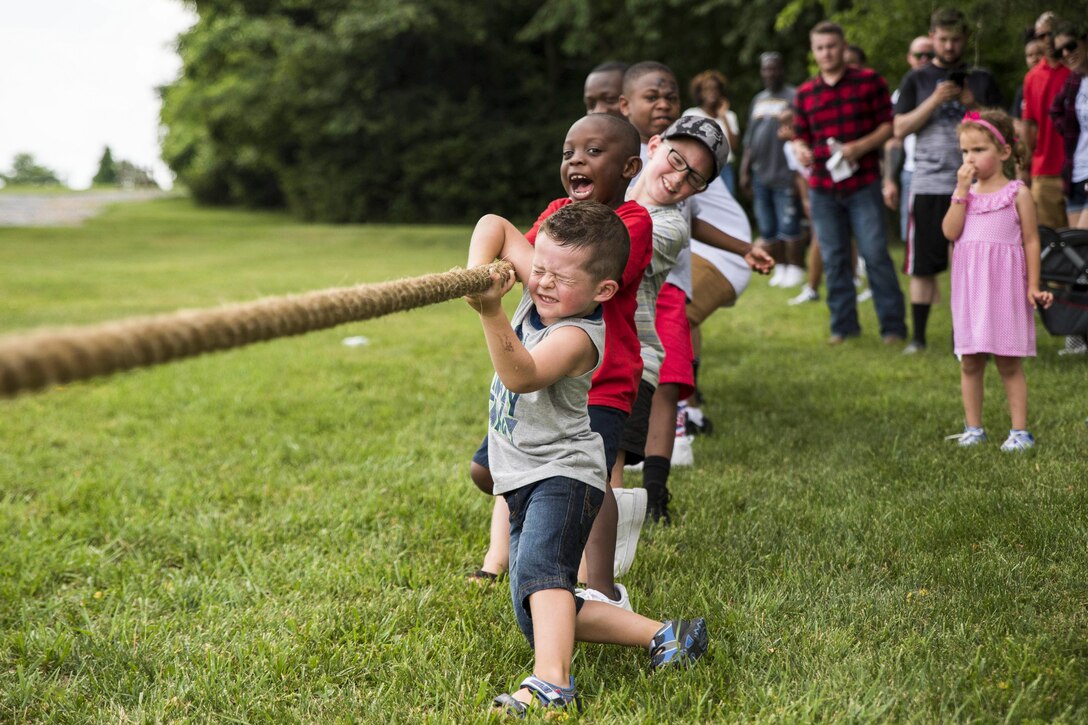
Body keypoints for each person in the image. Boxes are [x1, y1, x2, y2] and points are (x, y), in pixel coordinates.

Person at [464, 201, 708, 717]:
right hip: (524, 477)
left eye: (559, 277)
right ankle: (666, 634)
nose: (542, 283)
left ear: (602, 291)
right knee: (535, 606)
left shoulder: (578, 334)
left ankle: (553, 681)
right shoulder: (552, 280)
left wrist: (489, 310)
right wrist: (477, 270)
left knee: (542, 575)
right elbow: (494, 225)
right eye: (540, 269)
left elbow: (523, 375)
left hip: (564, 475)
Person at [469, 112, 653, 615]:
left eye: (594, 153)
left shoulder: (631, 221)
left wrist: (505, 296)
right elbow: (505, 236)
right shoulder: (559, 218)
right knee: (491, 471)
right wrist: (477, 275)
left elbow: (549, 268)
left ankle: (604, 590)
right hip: (545, 380)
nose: (576, 160)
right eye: (569, 152)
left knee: (591, 482)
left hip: (600, 375)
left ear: (629, 167)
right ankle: (502, 558)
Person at [619, 61, 772, 524]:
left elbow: (692, 220)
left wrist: (743, 247)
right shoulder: (623, 159)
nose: (663, 104)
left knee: (666, 384)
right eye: (652, 97)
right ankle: (612, 493)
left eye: (669, 96)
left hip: (669, 287)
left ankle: (656, 494)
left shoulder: (681, 171)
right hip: (625, 289)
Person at [615, 114, 728, 518]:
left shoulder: (670, 223)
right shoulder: (615, 179)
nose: (681, 178)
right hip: (603, 316)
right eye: (677, 160)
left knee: (664, 383)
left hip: (663, 296)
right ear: (655, 145)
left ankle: (654, 494)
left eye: (695, 178)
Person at [941, 110, 1052, 450]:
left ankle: (1019, 431)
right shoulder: (966, 194)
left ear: (1003, 152)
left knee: (1008, 359)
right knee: (971, 359)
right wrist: (960, 190)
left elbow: (1032, 240)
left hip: (1005, 288)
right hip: (971, 289)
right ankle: (973, 427)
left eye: (978, 150)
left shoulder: (1017, 193)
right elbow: (950, 231)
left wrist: (1033, 285)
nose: (970, 158)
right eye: (965, 151)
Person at [894, 7, 1002, 354]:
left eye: (956, 39)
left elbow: (1002, 132)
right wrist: (934, 100)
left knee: (969, 265)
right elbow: (899, 129)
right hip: (927, 184)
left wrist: (972, 104)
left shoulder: (982, 79)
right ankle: (919, 338)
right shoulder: (917, 79)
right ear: (933, 36)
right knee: (923, 266)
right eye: (943, 39)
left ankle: (966, 337)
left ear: (966, 38)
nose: (950, 45)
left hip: (977, 186)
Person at [792, 21, 907, 346]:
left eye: (832, 46)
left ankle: (893, 328)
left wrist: (859, 147)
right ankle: (843, 327)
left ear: (843, 48)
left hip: (863, 182)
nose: (827, 53)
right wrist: (800, 149)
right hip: (822, 187)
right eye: (820, 48)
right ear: (814, 52)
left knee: (875, 254)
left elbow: (888, 126)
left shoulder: (870, 82)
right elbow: (801, 136)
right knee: (834, 257)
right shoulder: (805, 93)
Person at [740, 52, 804, 289]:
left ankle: (796, 267)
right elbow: (749, 139)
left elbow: (803, 132)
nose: (770, 73)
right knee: (768, 227)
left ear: (782, 70)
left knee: (789, 225)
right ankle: (781, 267)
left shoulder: (794, 96)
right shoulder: (758, 99)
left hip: (785, 173)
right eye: (766, 69)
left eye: (774, 68)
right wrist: (745, 171)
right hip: (760, 172)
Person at [1049, 23, 1088, 356]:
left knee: (1083, 254)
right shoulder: (1075, 81)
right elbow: (1056, 111)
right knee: (1078, 258)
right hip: (1076, 172)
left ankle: (1078, 333)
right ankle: (1078, 335)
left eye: (1071, 45)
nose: (1066, 54)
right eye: (1059, 50)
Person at [883, 36, 935, 242]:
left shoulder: (954, 88)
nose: (923, 59)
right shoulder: (900, 94)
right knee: (915, 240)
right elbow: (894, 138)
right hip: (913, 172)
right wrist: (889, 180)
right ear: (909, 58)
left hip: (955, 172)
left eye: (929, 54)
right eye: (918, 55)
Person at [1023, 11, 1072, 230]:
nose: (1048, 40)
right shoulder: (1032, 77)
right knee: (1051, 243)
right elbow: (1029, 125)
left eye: (1052, 33)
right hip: (1044, 171)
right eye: (1041, 35)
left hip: (1079, 168)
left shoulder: (1076, 69)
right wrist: (1024, 165)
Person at [683, 69, 741, 196]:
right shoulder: (691, 115)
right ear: (700, 93)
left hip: (724, 168)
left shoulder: (730, 116)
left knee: (728, 204)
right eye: (707, 89)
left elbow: (734, 146)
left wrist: (723, 117)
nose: (712, 93)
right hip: (700, 169)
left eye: (715, 89)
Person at [1011, 28, 1046, 157]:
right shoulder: (1022, 89)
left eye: (1039, 53)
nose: (1034, 59)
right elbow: (1015, 121)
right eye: (1029, 55)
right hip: (1030, 153)